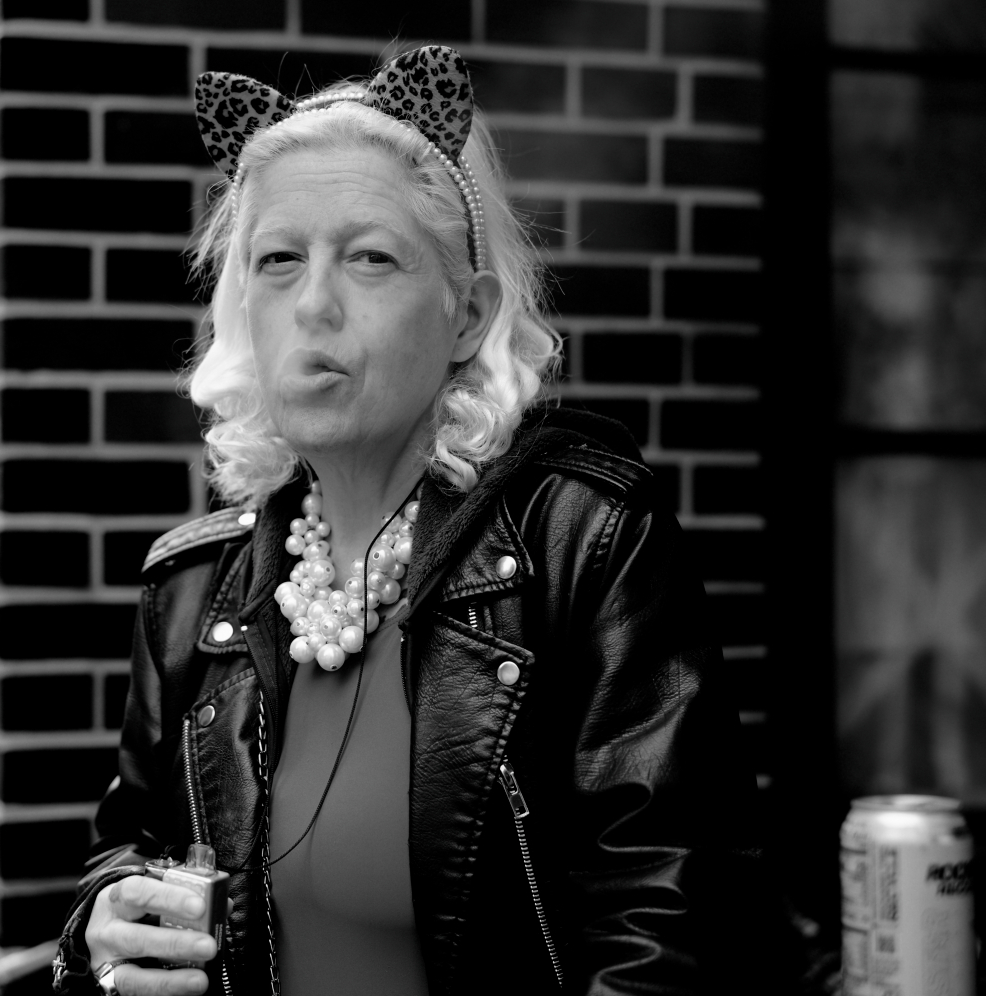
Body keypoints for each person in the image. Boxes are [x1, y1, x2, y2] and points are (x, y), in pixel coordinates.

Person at [51, 45, 767, 996]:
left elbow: (669, 920)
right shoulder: (190, 591)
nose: (314, 305)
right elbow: (132, 849)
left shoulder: (585, 541)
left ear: (466, 317)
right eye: (278, 261)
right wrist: (101, 932)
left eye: (370, 258)